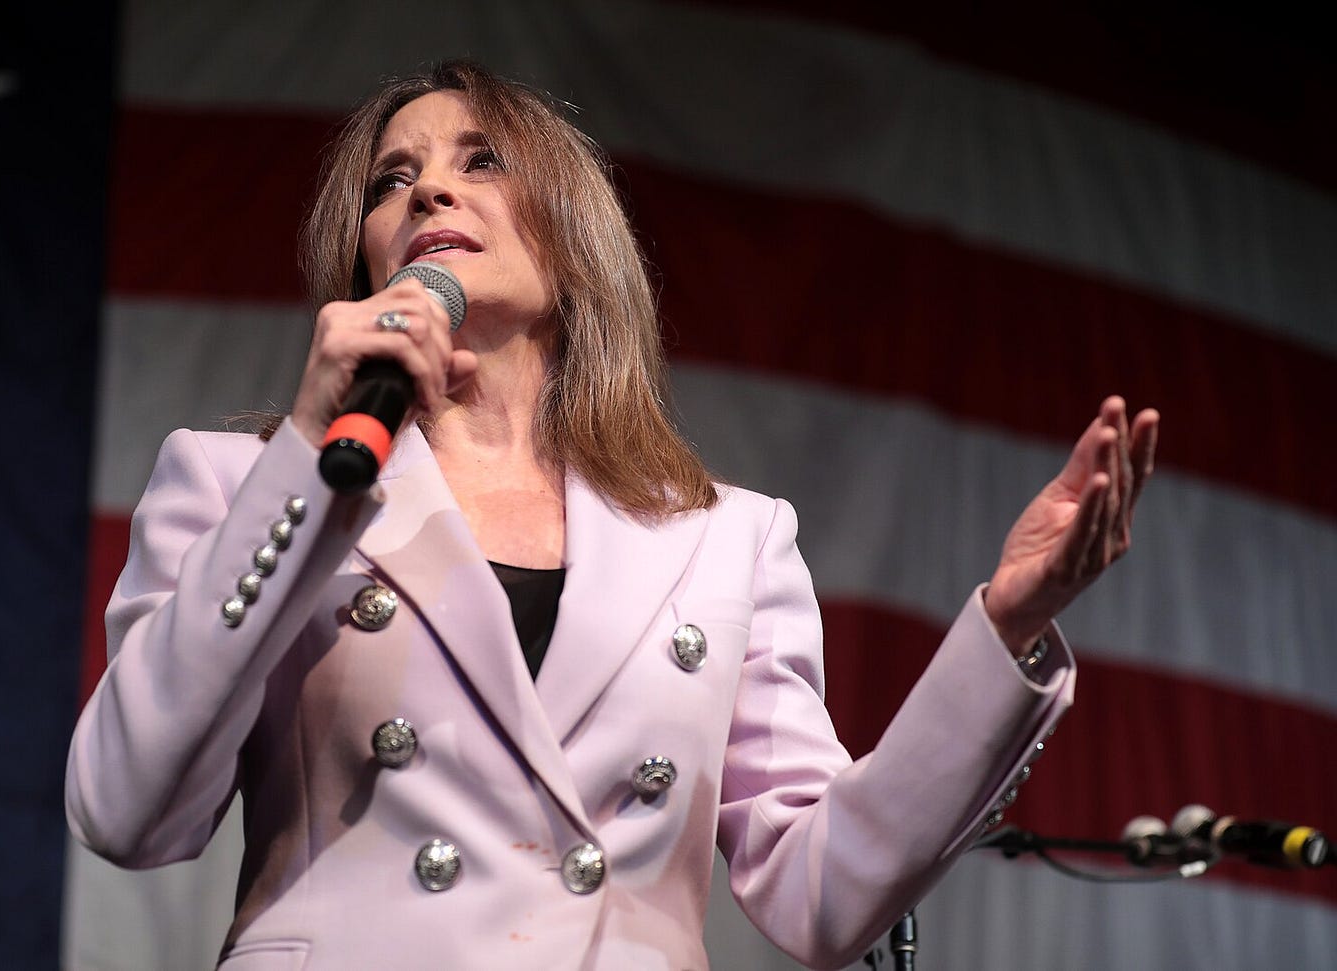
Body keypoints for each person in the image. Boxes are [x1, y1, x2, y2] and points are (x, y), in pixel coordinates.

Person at [65, 60, 1159, 970]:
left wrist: (1006, 627)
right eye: (392, 179)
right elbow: (127, 808)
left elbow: (823, 890)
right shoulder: (242, 480)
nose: (427, 193)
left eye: (479, 159)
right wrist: (309, 457)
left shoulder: (728, 538)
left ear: (573, 233)